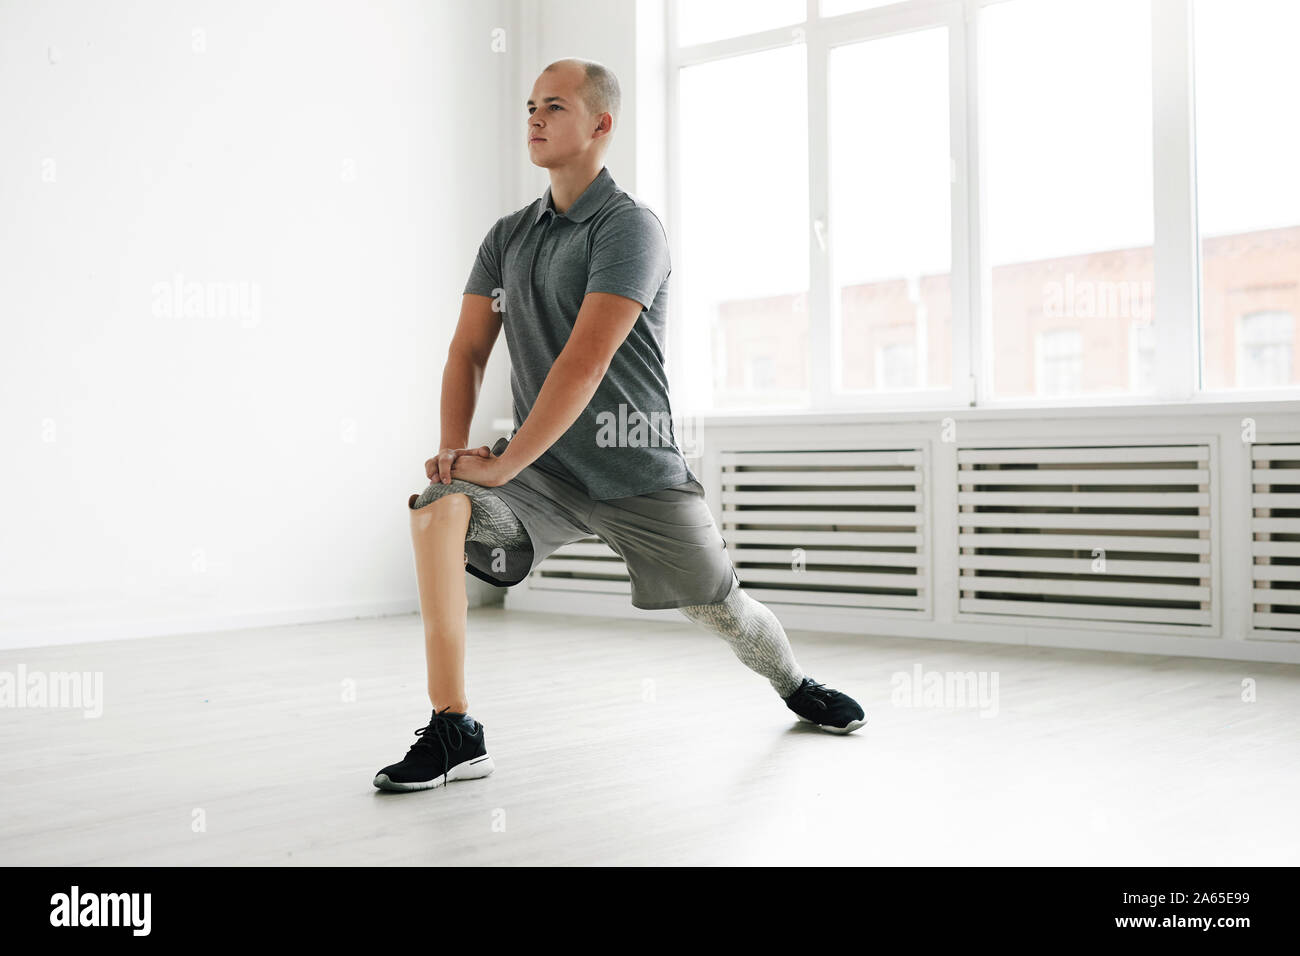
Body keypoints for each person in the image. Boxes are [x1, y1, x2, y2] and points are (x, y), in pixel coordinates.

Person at [373, 57, 865, 793]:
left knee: (724, 609)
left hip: (638, 471)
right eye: (531, 106)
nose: (535, 118)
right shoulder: (507, 237)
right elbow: (468, 350)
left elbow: (584, 363)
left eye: (556, 106)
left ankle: (795, 685)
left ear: (601, 125)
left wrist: (500, 464)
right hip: (545, 476)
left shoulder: (630, 228)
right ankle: (455, 728)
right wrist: (454, 458)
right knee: (437, 511)